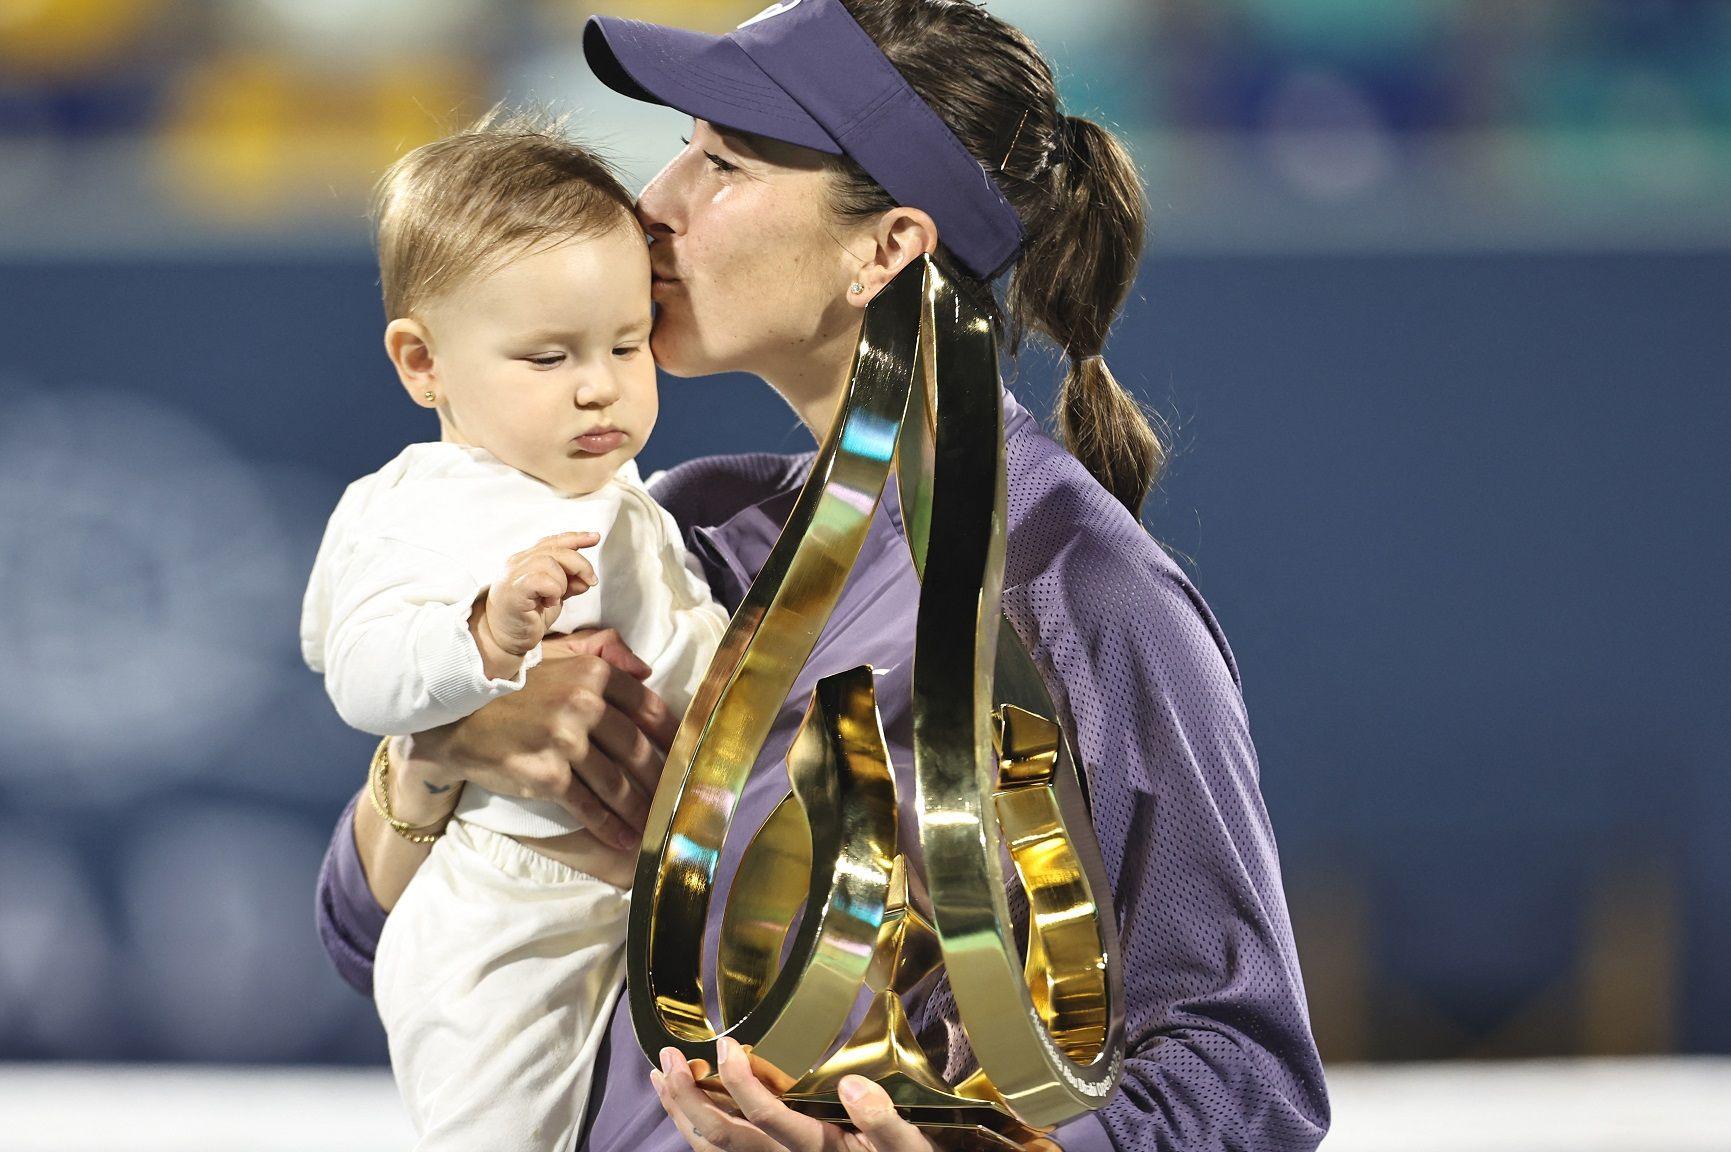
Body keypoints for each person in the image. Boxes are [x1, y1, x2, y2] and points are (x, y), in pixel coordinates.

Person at [315, 2, 1332, 1148]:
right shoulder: (689, 523)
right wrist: (438, 756)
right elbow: (360, 934)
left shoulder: (1082, 590)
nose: (652, 205)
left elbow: (1241, 1077)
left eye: (722, 163)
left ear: (885, 247)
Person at [299, 109, 730, 1151]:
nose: (599, 384)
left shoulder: (633, 499)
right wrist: (484, 640)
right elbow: (355, 668)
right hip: (501, 918)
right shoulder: (419, 505)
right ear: (422, 363)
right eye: (546, 357)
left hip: (636, 911)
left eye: (626, 344)